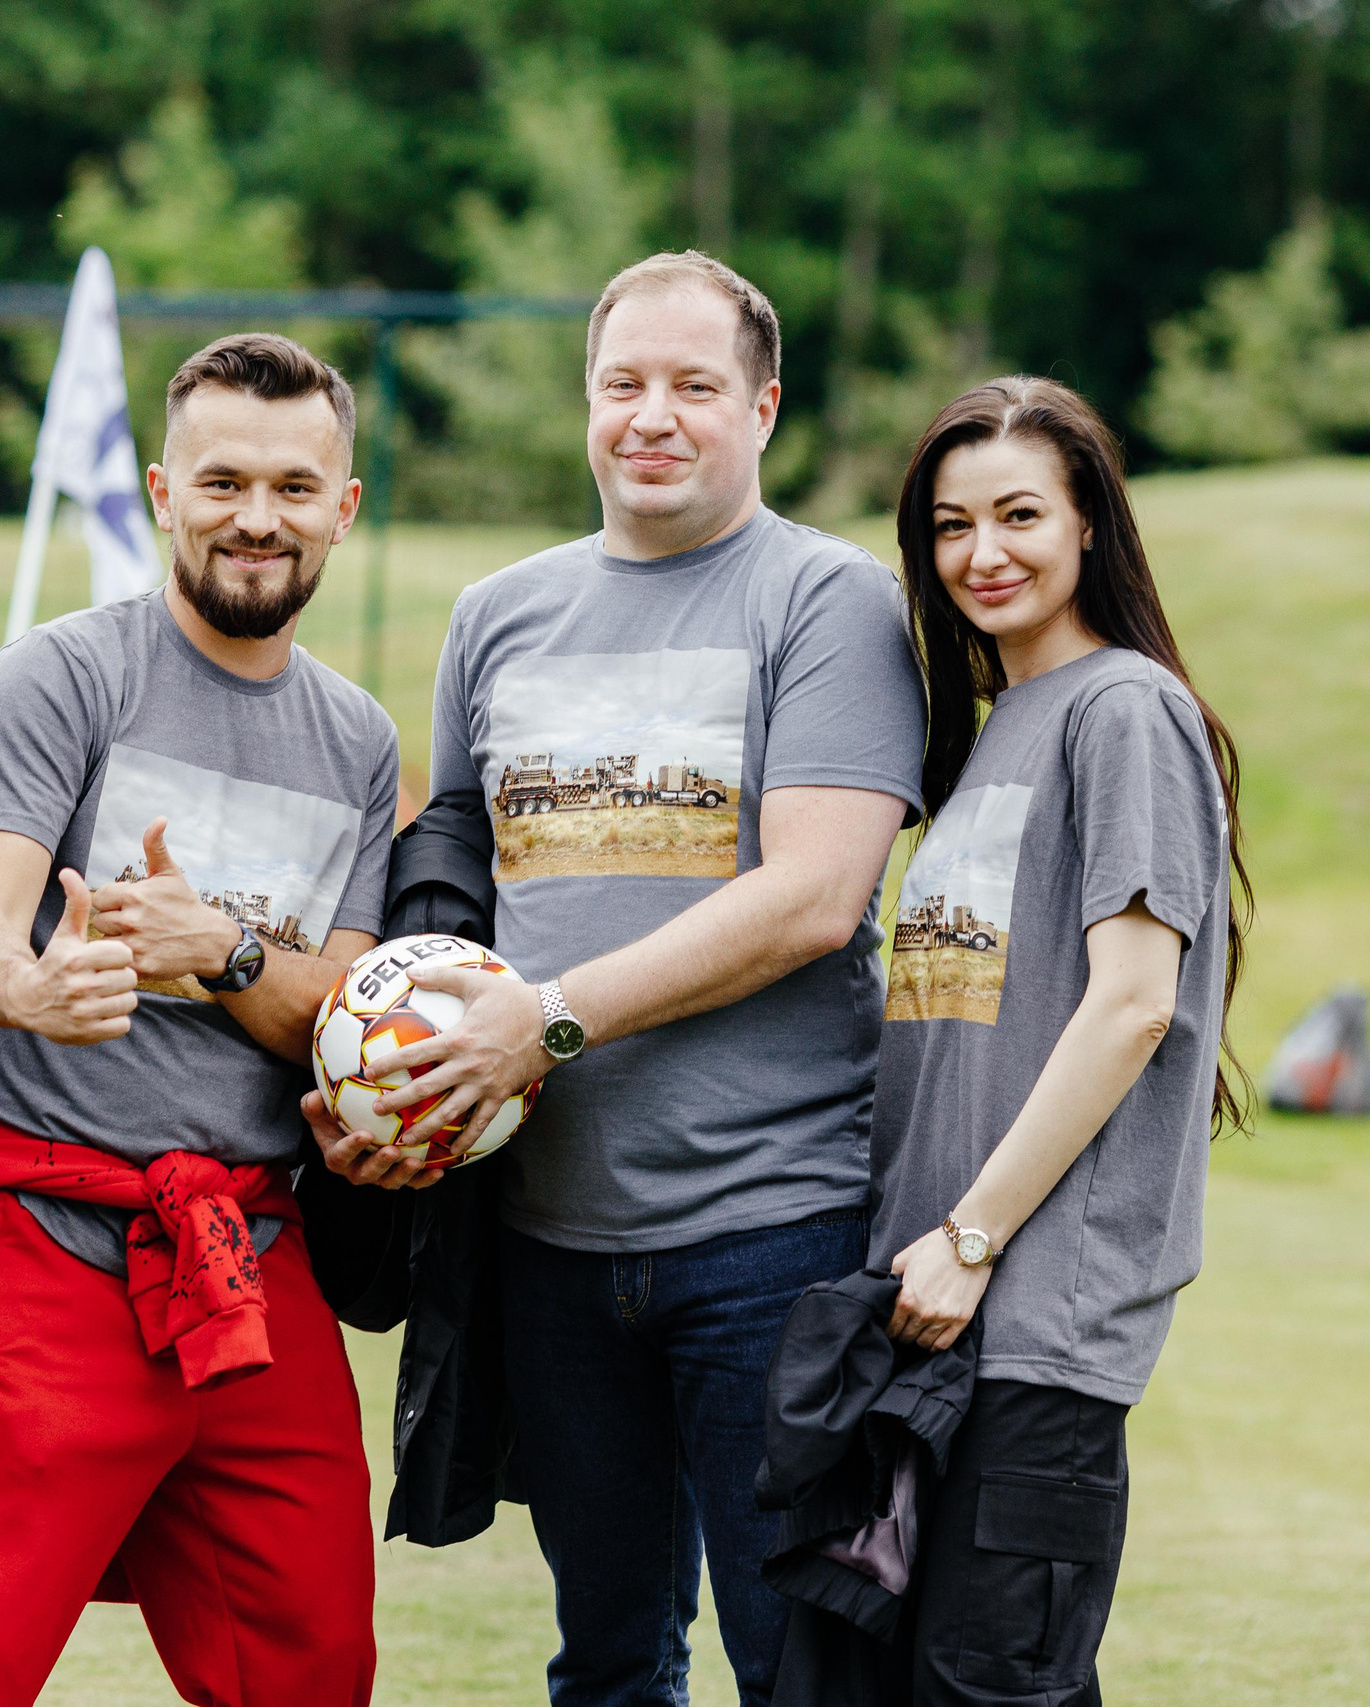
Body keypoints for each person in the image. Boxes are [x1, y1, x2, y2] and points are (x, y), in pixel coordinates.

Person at [309, 251, 927, 1705]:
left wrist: (550, 1018)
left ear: (763, 406)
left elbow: (815, 898)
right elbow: (452, 884)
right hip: (549, 1236)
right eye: (623, 384)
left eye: (695, 386)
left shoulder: (829, 603)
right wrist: (393, 1084)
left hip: (770, 1229)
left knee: (799, 1662)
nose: (654, 416)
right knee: (605, 1662)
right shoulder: (498, 613)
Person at [0, 333, 396, 1707]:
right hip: (35, 1234)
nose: (256, 518)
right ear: (165, 491)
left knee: (312, 1665)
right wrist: (35, 985)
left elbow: (336, 1018)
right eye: (222, 481)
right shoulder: (61, 675)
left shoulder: (359, 741)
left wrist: (217, 946)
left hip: (246, 1252)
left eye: (292, 486)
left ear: (343, 505)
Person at [869, 376, 1248, 1703]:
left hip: (1031, 1317)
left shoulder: (1124, 712)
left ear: (1091, 523)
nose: (984, 554)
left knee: (993, 1683)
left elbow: (1135, 1003)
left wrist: (972, 1240)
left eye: (1021, 513)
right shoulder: (990, 738)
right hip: (938, 1314)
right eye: (951, 525)